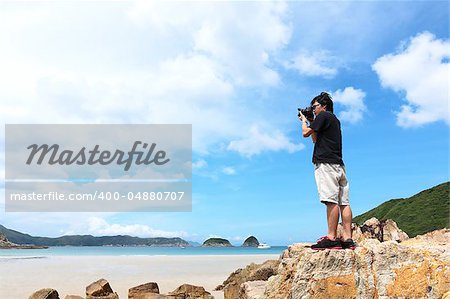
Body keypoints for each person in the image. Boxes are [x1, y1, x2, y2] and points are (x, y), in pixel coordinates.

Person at [299, 92, 356, 250]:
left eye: (315, 106)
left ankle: (331, 238)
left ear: (324, 106)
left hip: (327, 165)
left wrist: (304, 121)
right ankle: (347, 238)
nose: (313, 109)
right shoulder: (333, 120)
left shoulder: (324, 116)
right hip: (339, 166)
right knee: (344, 202)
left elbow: (305, 133)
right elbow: (315, 139)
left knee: (330, 201)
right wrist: (312, 121)